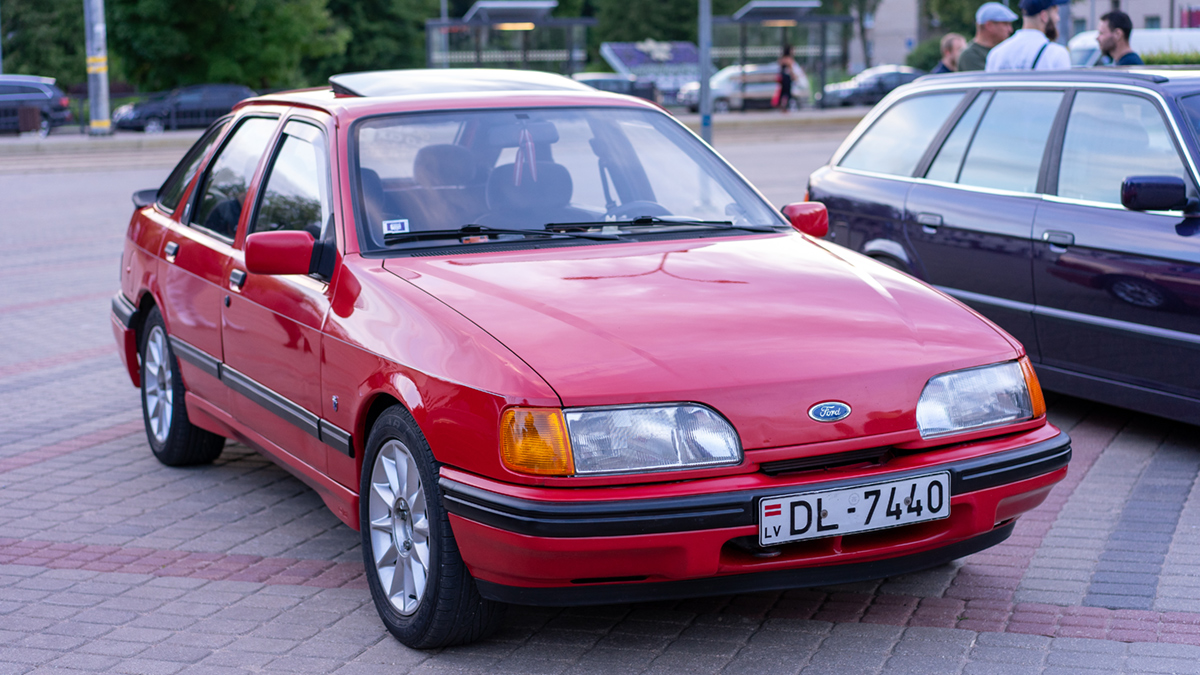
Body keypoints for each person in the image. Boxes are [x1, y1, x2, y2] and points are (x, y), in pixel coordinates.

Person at [985, 0, 1071, 71]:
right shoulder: (1056, 54)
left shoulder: (996, 54)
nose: (1058, 18)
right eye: (1056, 13)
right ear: (1044, 16)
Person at [958, 2, 1019, 72]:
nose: (1010, 30)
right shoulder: (970, 55)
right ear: (989, 25)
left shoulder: (1002, 50)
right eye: (1006, 24)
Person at [776, 45, 797, 111]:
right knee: (786, 93)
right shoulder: (789, 59)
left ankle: (783, 104)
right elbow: (790, 69)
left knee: (783, 92)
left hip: (783, 78)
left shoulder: (782, 59)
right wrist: (793, 76)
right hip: (787, 78)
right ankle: (784, 105)